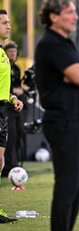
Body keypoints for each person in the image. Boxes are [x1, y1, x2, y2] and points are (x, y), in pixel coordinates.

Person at [35, 1, 79, 231]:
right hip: (64, 120)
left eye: (75, 12)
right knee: (68, 185)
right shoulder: (51, 44)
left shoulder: (66, 43)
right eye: (69, 12)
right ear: (54, 16)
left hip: (78, 118)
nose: (75, 16)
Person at [0, 9, 24, 224]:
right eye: (4, 23)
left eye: (9, 22)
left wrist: (11, 98)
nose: (9, 26)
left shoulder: (2, 53)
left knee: (0, 160)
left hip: (3, 108)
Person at [3, 41, 26, 176]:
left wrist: (21, 91)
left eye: (14, 51)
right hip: (7, 104)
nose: (12, 54)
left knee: (19, 132)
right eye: (10, 51)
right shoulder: (3, 66)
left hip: (17, 103)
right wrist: (13, 91)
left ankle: (16, 163)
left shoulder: (16, 68)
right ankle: (8, 166)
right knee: (10, 134)